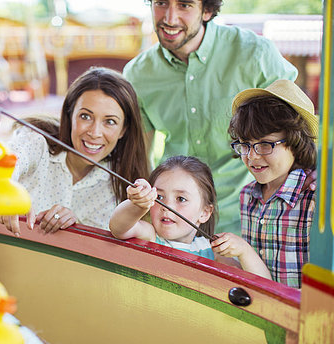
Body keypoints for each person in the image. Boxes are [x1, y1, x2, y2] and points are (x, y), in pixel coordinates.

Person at [122, 0, 298, 235]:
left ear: (207, 10)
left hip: (254, 218)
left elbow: (297, 129)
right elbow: (139, 156)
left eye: (184, 5)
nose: (170, 18)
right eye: (161, 3)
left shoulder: (255, 53)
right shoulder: (137, 74)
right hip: (178, 225)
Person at [0, 67, 149, 236]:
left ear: (123, 130)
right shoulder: (36, 141)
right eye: (85, 116)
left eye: (110, 122)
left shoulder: (119, 182)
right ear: (70, 115)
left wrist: (75, 225)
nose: (95, 132)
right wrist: (6, 188)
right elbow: (2, 164)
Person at [210, 80, 318, 288]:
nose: (252, 156)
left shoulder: (313, 198)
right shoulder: (247, 195)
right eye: (245, 145)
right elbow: (257, 269)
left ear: (297, 142)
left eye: (265, 144)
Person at [109, 155, 272, 279]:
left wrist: (245, 251)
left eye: (181, 199)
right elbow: (118, 227)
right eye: (159, 197)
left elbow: (262, 285)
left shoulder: (211, 252)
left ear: (205, 213)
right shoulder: (149, 236)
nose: (168, 207)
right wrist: (137, 204)